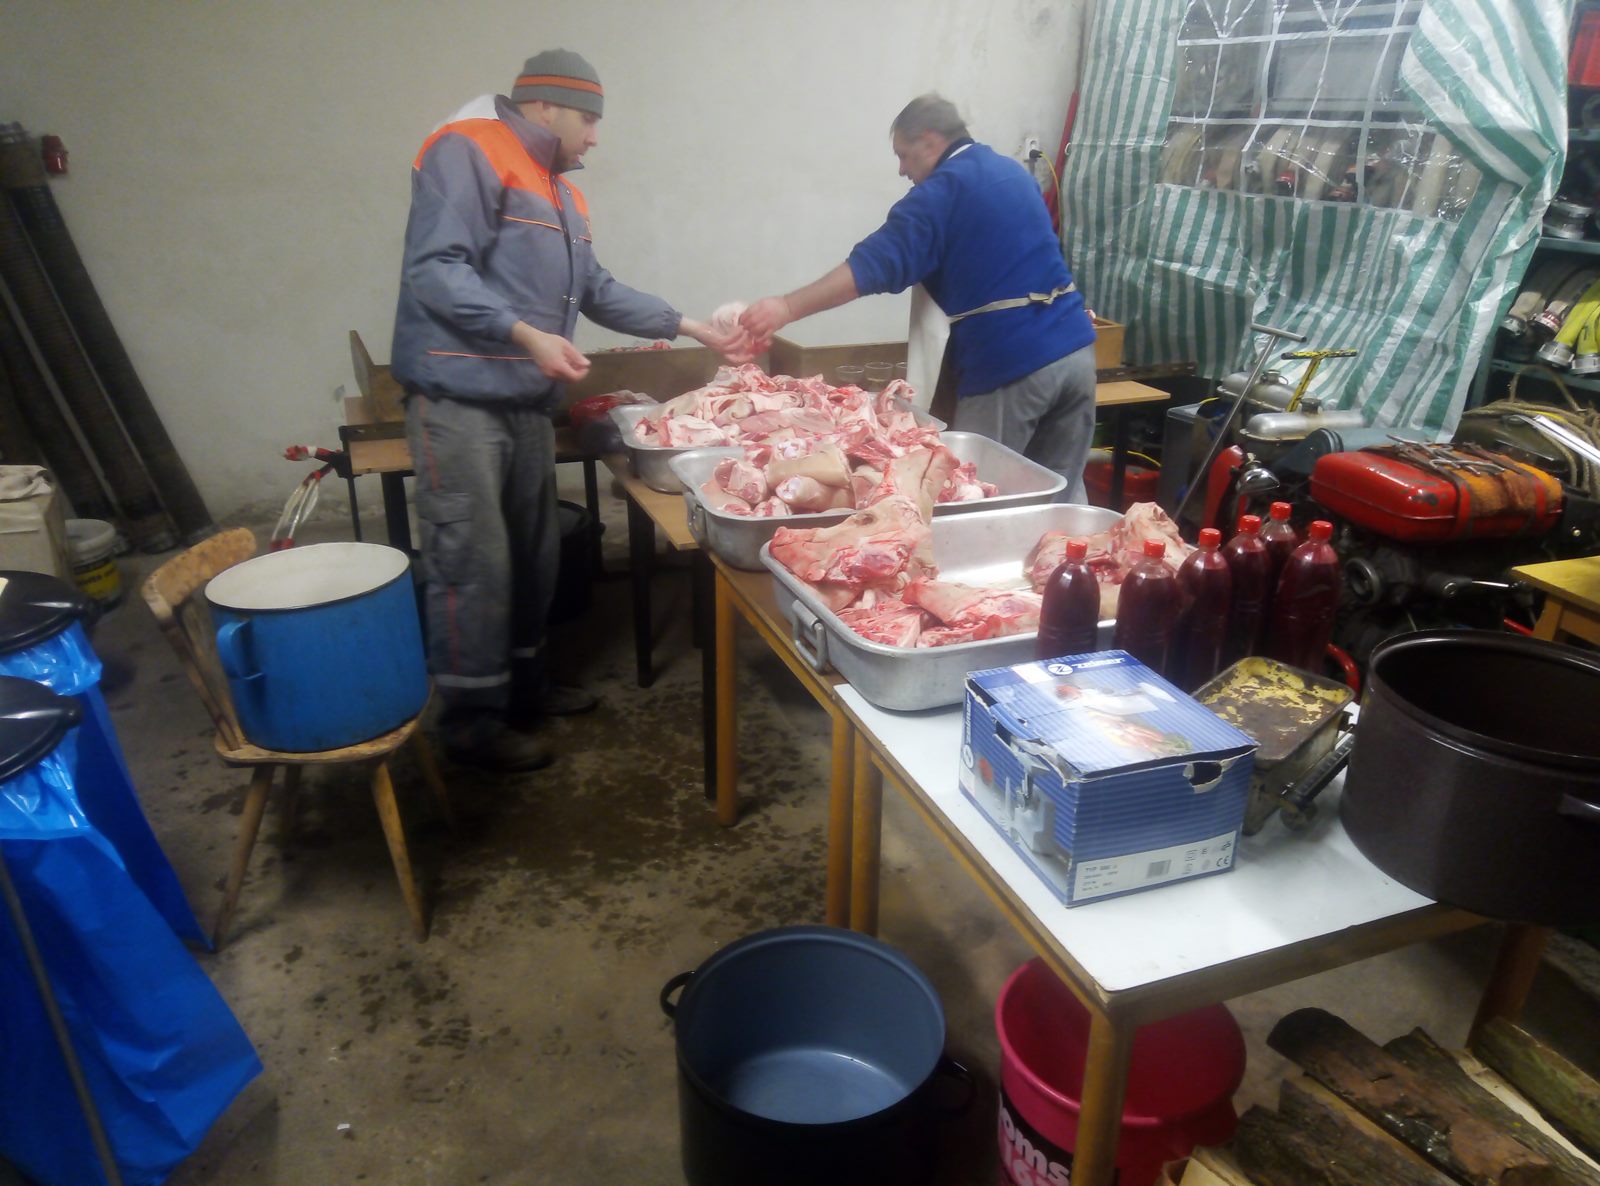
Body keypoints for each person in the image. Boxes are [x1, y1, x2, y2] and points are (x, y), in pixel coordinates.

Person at [392, 50, 748, 771]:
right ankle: (469, 727)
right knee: (473, 561)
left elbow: (597, 290)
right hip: (459, 402)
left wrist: (693, 327)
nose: (596, 136)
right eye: (588, 118)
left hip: (525, 403)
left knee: (533, 556)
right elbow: (435, 269)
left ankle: (525, 689)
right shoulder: (468, 149)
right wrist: (525, 334)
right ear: (544, 106)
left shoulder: (561, 193)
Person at [740, 94, 1098, 501]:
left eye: (904, 155)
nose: (901, 169)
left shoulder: (942, 193)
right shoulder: (1011, 173)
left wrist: (785, 307)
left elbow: (871, 267)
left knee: (974, 495)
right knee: (1059, 496)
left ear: (930, 141)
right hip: (1076, 354)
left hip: (1013, 367)